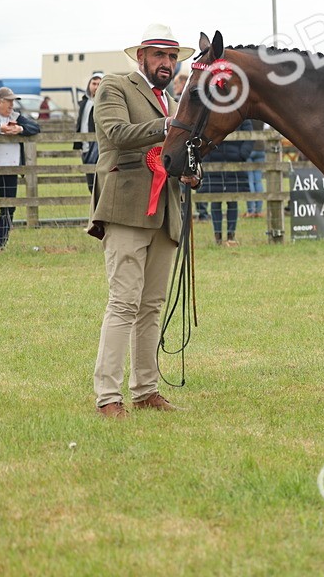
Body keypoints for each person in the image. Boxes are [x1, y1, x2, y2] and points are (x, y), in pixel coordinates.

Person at [90, 23, 198, 418]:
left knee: (151, 305)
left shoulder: (173, 100)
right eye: (159, 56)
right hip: (127, 208)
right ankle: (107, 396)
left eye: (172, 57)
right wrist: (168, 126)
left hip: (166, 211)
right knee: (123, 303)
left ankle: (145, 389)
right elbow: (117, 134)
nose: (167, 63)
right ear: (142, 58)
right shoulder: (115, 86)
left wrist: (188, 170)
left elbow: (172, 154)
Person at [0, 87, 41, 252]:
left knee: (8, 207)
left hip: (11, 170)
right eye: (9, 101)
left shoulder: (16, 117)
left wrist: (20, 129)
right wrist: (1, 129)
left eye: (12, 101)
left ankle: (1, 244)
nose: (11, 105)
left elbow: (35, 127)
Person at [198, 118, 253, 245]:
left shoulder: (241, 114)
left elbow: (249, 134)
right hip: (213, 161)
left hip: (235, 163)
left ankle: (231, 236)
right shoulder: (213, 112)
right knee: (215, 200)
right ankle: (217, 237)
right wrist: (207, 153)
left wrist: (242, 154)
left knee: (232, 200)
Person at [75, 71, 104, 191]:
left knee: (99, 182)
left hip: (99, 145)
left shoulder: (105, 102)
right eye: (94, 83)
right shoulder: (85, 102)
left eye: (99, 84)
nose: (96, 87)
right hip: (85, 146)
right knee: (90, 182)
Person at [244, 119, 267, 218]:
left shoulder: (248, 116)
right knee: (258, 181)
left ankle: (251, 211)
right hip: (260, 147)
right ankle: (258, 210)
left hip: (249, 148)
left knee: (250, 180)